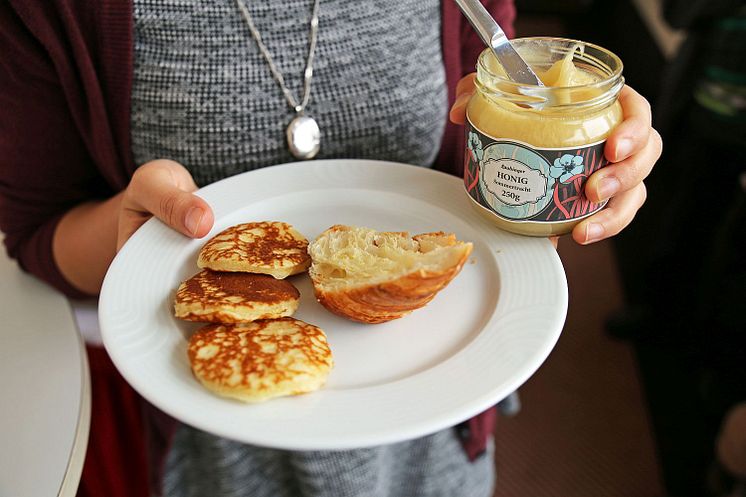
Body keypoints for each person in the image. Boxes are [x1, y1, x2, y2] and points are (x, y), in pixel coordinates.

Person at [0, 1, 661, 496]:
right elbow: (35, 235)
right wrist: (133, 228)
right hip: (215, 453)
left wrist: (577, 151)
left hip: (438, 422)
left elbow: (477, 169)